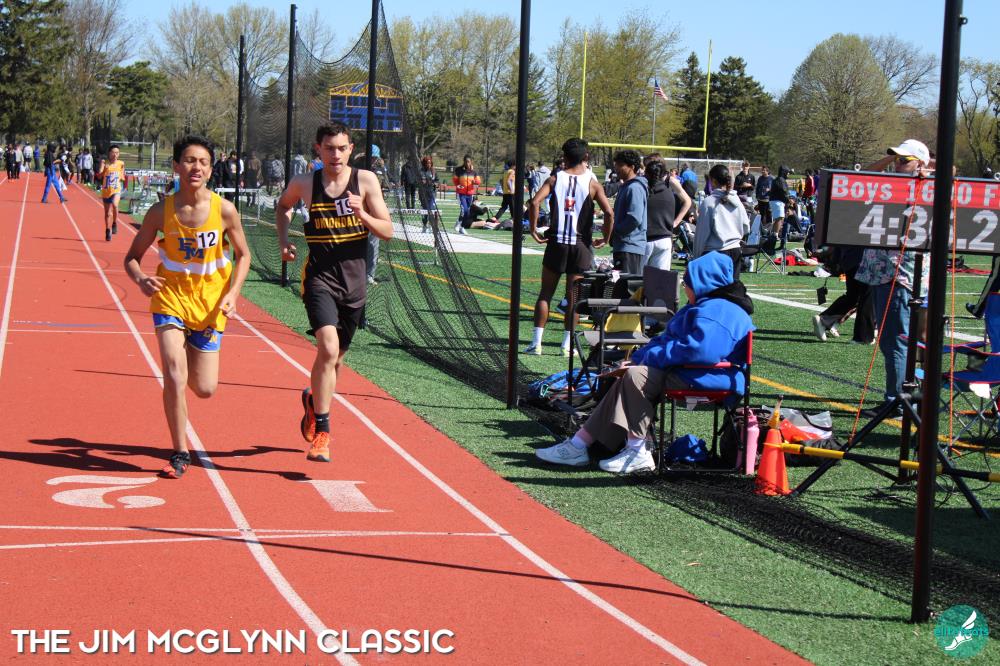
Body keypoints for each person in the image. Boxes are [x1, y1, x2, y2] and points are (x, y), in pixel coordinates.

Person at [535, 251, 754, 473]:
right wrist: (637, 359)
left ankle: (637, 450)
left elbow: (701, 352)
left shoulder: (719, 311)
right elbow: (668, 342)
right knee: (627, 375)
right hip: (692, 372)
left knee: (636, 376)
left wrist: (645, 361)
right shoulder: (707, 306)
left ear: (703, 282)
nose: (685, 288)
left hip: (708, 377)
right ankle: (580, 444)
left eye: (687, 283)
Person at [123, 135, 251, 478]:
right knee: (174, 374)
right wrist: (141, 279)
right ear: (177, 166)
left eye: (203, 162)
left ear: (211, 169)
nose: (196, 167)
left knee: (205, 388)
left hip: (210, 307)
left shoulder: (225, 210)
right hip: (170, 299)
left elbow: (244, 255)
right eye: (190, 160)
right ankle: (180, 451)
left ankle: (192, 376)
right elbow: (132, 258)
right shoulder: (160, 212)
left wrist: (233, 293)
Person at [275, 123, 393, 463]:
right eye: (329, 148)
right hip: (319, 278)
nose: (336, 155)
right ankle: (323, 433)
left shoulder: (365, 181)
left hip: (354, 283)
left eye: (342, 148)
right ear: (319, 149)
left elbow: (387, 231)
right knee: (327, 349)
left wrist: (362, 213)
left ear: (351, 149)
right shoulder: (304, 183)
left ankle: (314, 402)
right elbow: (283, 207)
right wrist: (284, 241)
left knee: (336, 359)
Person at [855, 139, 932, 415]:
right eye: (896, 160)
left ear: (919, 164)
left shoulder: (925, 187)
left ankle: (897, 400)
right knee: (891, 341)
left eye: (903, 160)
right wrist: (892, 159)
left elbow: (952, 172)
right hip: (883, 273)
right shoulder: (891, 183)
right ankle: (900, 397)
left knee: (897, 341)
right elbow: (862, 176)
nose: (897, 165)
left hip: (901, 275)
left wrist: (925, 169)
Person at [525, 138, 614, 356]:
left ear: (564, 157)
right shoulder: (592, 183)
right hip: (580, 245)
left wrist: (534, 229)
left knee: (545, 294)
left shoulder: (555, 178)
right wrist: (605, 238)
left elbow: (534, 202)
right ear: (586, 157)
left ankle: (536, 343)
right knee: (574, 298)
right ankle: (566, 346)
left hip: (556, 243)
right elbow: (609, 213)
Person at [693, 164, 749, 277]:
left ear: (713, 181)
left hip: (715, 254)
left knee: (715, 287)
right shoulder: (736, 200)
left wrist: (696, 258)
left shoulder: (709, 202)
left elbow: (701, 234)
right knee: (732, 286)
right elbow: (746, 226)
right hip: (735, 251)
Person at [811, 246, 875, 344]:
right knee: (867, 296)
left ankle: (825, 319)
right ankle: (863, 336)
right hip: (867, 260)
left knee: (853, 297)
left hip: (850, 259)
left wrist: (835, 259)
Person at [642, 155, 691, 269]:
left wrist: (676, 222)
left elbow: (687, 201)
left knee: (655, 277)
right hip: (650, 234)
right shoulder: (645, 181)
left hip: (661, 234)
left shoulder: (670, 181)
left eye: (647, 165)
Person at [610, 149, 647, 275]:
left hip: (630, 247)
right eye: (616, 164)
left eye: (621, 165)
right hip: (623, 246)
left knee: (628, 286)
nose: (616, 168)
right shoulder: (626, 186)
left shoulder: (634, 188)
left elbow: (634, 218)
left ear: (632, 167)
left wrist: (616, 231)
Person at [95, 145, 125, 240]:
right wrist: (104, 169)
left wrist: (121, 177)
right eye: (113, 152)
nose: (115, 154)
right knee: (107, 213)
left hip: (116, 189)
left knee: (115, 204)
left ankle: (115, 223)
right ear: (109, 153)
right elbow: (99, 176)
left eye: (117, 153)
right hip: (106, 190)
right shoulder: (104, 162)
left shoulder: (121, 163)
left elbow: (122, 175)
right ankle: (108, 230)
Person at [452, 155, 481, 235]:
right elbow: (455, 179)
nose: (467, 163)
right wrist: (458, 185)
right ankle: (461, 226)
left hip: (470, 194)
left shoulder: (474, 172)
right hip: (461, 194)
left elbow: (478, 181)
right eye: (466, 162)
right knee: (464, 210)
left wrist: (475, 182)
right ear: (464, 162)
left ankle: (461, 226)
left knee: (467, 212)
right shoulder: (459, 170)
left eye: (468, 162)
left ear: (471, 162)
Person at [489, 160, 517, 225]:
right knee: (512, 206)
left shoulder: (505, 172)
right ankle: (514, 219)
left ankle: (495, 218)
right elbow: (508, 181)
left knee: (504, 207)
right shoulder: (512, 171)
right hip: (510, 193)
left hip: (505, 193)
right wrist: (511, 189)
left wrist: (503, 189)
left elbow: (501, 181)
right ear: (513, 165)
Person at [418, 155, 439, 233]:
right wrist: (421, 182)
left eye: (430, 163)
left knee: (431, 208)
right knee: (425, 210)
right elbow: (418, 181)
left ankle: (431, 226)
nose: (429, 164)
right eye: (427, 163)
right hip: (423, 194)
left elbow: (437, 180)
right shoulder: (421, 171)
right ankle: (424, 225)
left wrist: (436, 184)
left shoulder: (433, 171)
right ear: (424, 163)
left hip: (432, 193)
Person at [755, 165, 773, 231]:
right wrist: (757, 196)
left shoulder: (771, 179)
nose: (763, 171)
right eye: (762, 170)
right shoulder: (760, 178)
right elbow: (757, 187)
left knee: (768, 214)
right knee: (762, 214)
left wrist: (769, 190)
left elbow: (774, 189)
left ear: (767, 171)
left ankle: (769, 228)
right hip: (760, 199)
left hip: (768, 200)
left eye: (764, 170)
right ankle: (762, 229)